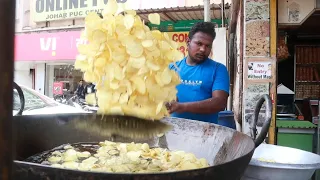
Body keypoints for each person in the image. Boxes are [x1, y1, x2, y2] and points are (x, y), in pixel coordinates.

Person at [166, 22, 230, 124]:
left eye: (207, 46)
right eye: (199, 44)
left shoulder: (218, 69)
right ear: (188, 42)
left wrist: (181, 107)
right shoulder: (172, 68)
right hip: (173, 132)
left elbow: (220, 102)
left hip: (205, 134)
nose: (203, 49)